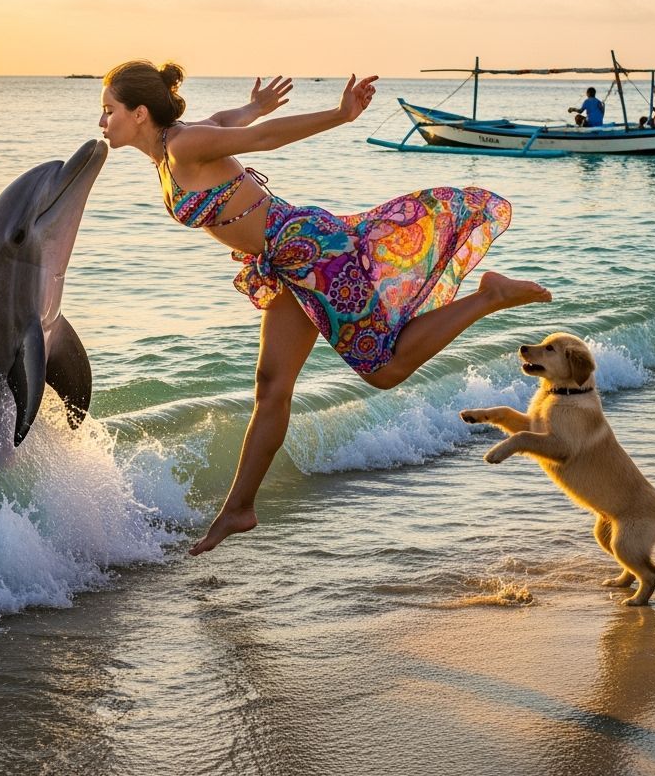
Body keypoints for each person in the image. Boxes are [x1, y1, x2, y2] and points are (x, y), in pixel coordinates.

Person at [98, 61, 552, 555]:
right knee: (271, 389)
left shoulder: (184, 146)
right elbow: (232, 120)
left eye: (109, 110)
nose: (103, 122)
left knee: (384, 370)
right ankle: (238, 510)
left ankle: (490, 296)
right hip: (285, 263)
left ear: (140, 113)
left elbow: (266, 139)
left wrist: (340, 115)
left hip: (314, 253)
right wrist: (255, 104)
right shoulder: (172, 150)